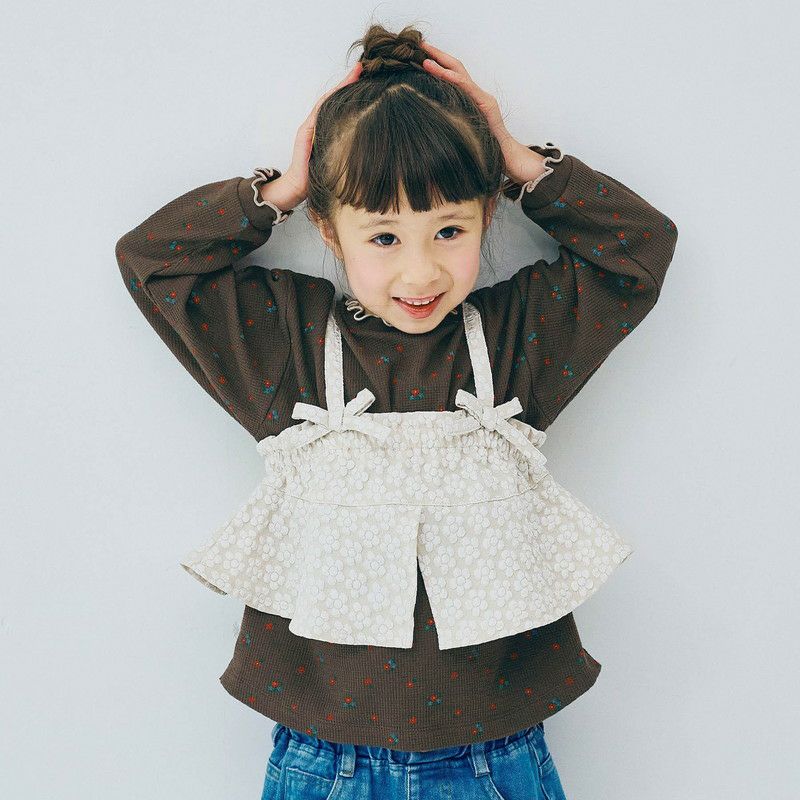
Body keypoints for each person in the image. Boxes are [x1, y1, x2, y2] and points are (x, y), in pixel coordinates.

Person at [115, 22, 678, 800]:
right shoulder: (289, 347)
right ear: (328, 228)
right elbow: (154, 261)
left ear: (486, 216)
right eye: (383, 237)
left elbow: (639, 249)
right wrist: (283, 189)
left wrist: (517, 161)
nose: (421, 271)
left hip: (496, 760)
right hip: (326, 763)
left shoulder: (518, 341)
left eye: (449, 230)